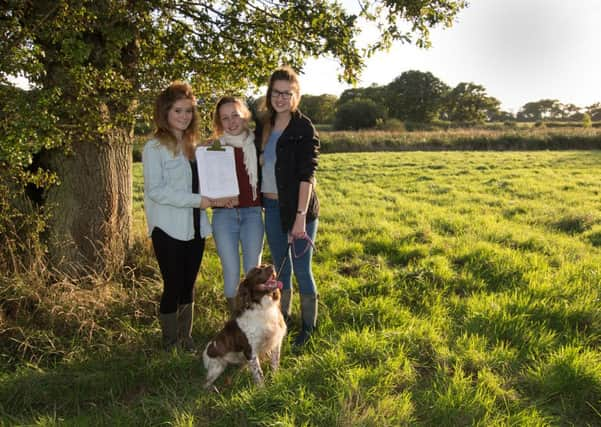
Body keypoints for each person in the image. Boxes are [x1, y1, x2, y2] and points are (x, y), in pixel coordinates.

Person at [142, 81, 213, 351]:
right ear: (165, 113)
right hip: (168, 228)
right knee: (173, 284)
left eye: (188, 111)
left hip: (195, 226)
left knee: (189, 284)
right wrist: (198, 200)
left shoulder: (196, 147)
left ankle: (187, 338)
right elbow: (156, 190)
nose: (184, 117)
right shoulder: (154, 148)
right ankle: (170, 341)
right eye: (178, 111)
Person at [257, 66, 320, 347]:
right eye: (276, 92)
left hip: (299, 210)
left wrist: (300, 218)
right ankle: (283, 319)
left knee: (302, 268)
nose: (281, 98)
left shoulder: (303, 128)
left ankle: (308, 328)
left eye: (287, 93)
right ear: (269, 94)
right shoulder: (263, 125)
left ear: (296, 96)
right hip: (270, 207)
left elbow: (308, 175)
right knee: (281, 271)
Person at [209, 96, 264, 315]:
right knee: (231, 271)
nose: (231, 122)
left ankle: (255, 318)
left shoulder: (258, 144)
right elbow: (207, 183)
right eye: (225, 118)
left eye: (235, 115)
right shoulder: (214, 148)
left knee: (253, 271)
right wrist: (217, 197)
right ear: (219, 123)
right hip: (224, 216)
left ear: (245, 116)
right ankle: (236, 321)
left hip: (252, 214)